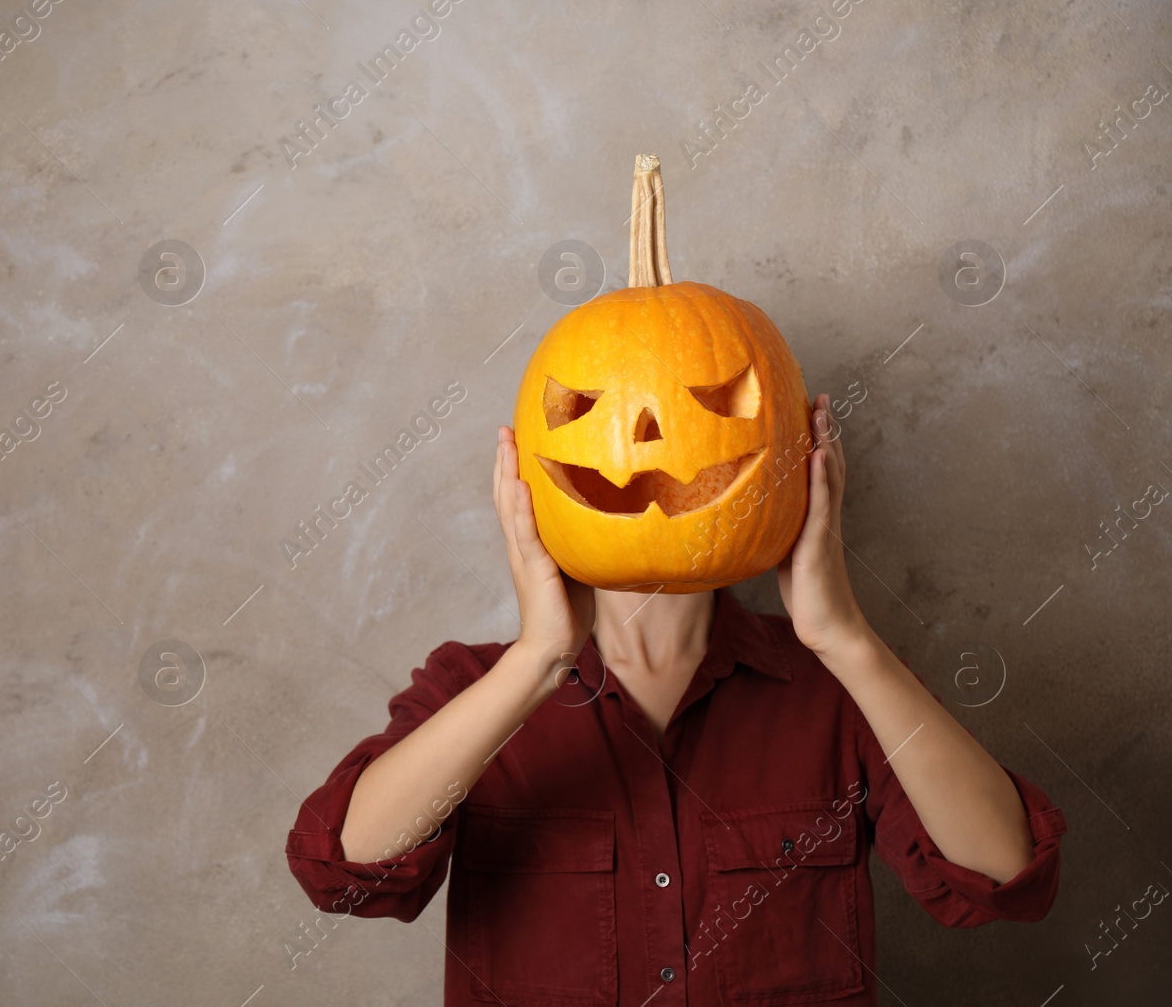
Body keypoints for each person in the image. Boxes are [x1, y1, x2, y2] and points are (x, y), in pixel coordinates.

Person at [284, 393, 1067, 1005]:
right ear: (525, 480)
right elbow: (345, 873)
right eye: (588, 410)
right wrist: (538, 659)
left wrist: (846, 637)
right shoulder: (472, 687)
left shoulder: (841, 687)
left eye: (717, 405)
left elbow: (1005, 874)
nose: (652, 438)